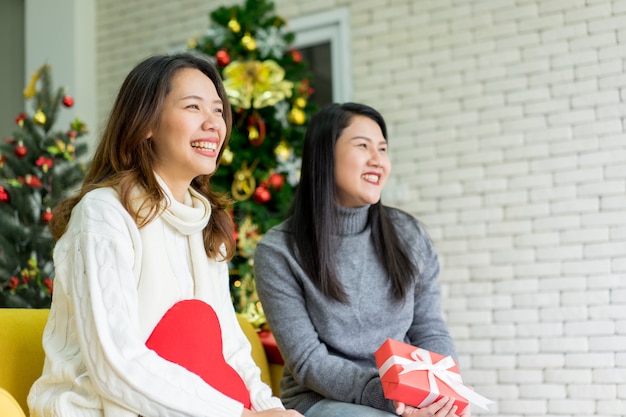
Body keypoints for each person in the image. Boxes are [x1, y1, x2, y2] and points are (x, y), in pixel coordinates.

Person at [27, 52, 302, 417]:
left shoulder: (207, 225)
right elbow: (116, 364)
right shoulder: (104, 214)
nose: (213, 124)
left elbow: (230, 350)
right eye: (193, 107)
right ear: (146, 124)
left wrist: (269, 408)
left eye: (218, 111)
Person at [254, 103, 470, 417]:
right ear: (324, 156)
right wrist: (391, 396)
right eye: (362, 146)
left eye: (382, 148)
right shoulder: (279, 251)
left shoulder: (409, 235)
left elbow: (430, 328)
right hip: (321, 399)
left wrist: (445, 394)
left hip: (406, 396)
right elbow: (309, 362)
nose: (377, 160)